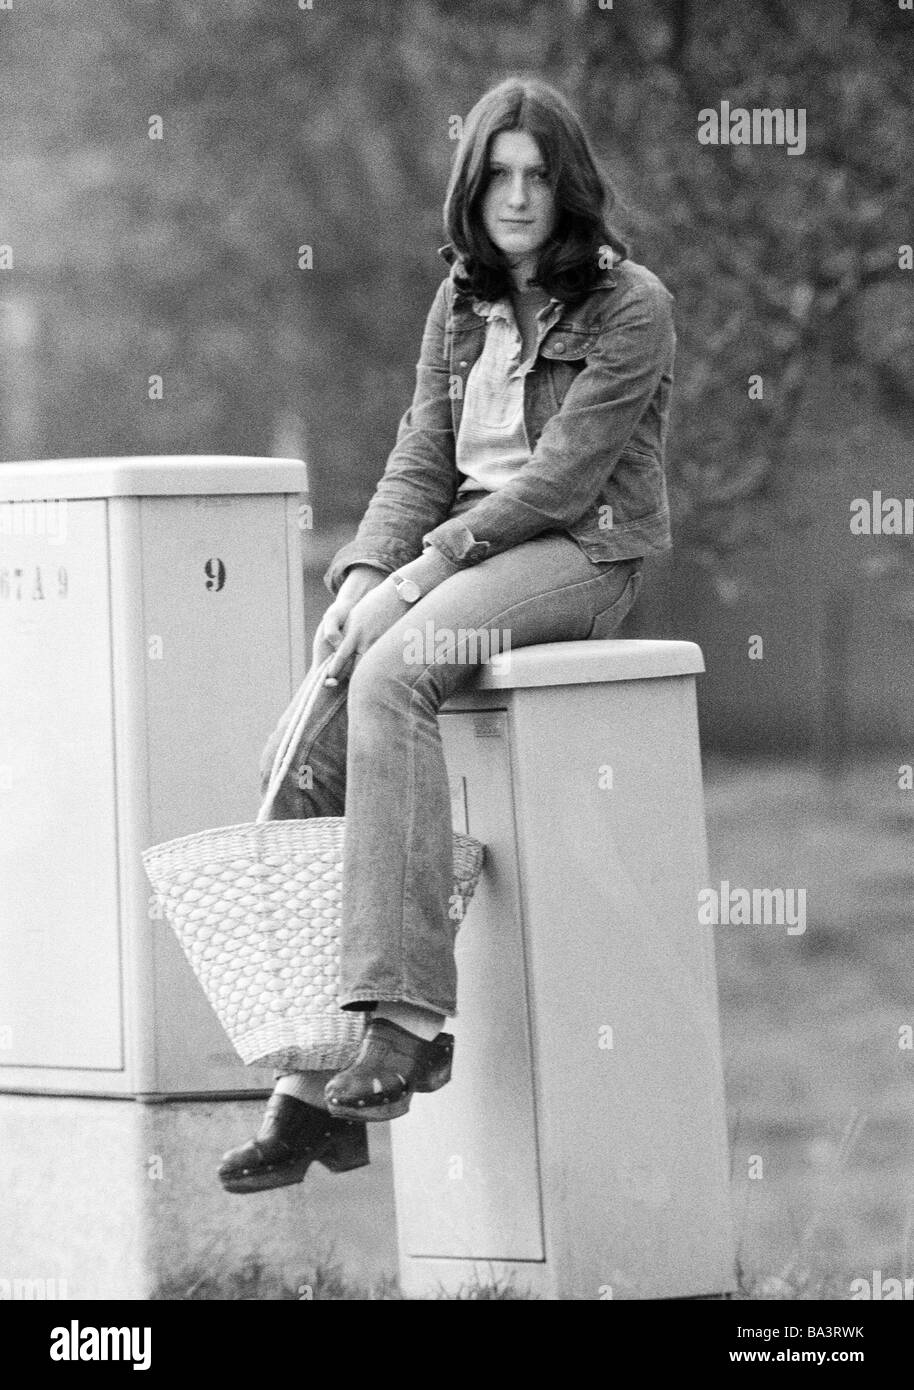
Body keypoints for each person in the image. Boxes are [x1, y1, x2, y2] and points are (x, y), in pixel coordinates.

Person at [218, 74, 675, 1194]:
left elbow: (561, 484)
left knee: (393, 675)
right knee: (308, 737)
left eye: (537, 175)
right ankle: (311, 1093)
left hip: (582, 548)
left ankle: (409, 1016)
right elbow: (423, 455)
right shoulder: (459, 304)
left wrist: (412, 582)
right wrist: (365, 570)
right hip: (463, 550)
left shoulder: (631, 305)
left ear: (568, 186)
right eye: (496, 176)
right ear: (470, 191)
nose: (517, 197)